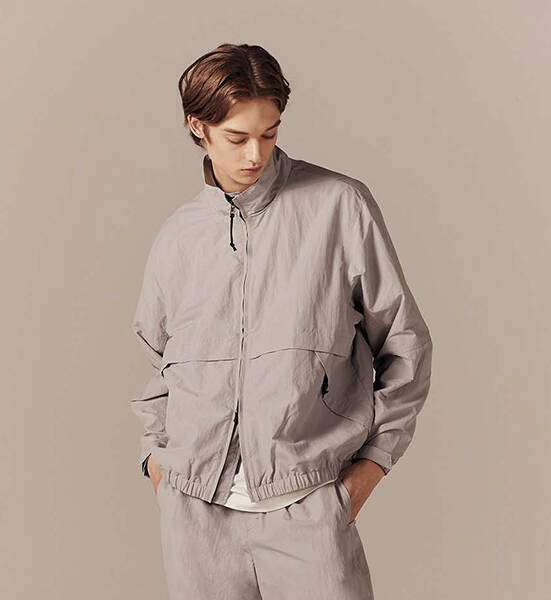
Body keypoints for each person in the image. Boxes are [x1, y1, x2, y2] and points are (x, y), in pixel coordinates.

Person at [129, 43, 433, 600]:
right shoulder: (178, 237)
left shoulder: (338, 205)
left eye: (268, 134)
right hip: (196, 517)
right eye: (237, 138)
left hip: (307, 505)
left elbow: (404, 342)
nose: (255, 154)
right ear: (198, 126)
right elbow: (158, 363)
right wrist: (157, 462)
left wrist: (371, 466)